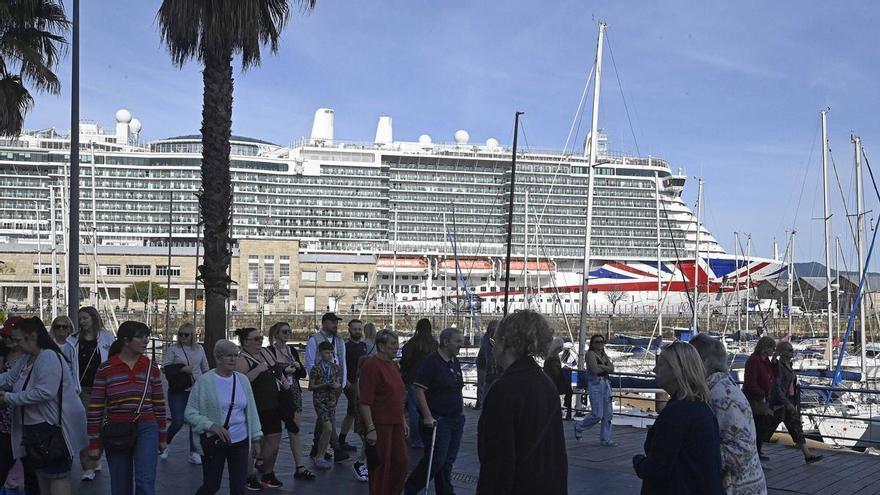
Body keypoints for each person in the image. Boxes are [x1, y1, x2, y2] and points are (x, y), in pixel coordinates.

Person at [477, 310, 567, 495]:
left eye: (494, 341)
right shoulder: (545, 382)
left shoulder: (504, 390)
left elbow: (497, 460)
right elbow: (557, 449)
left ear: (506, 343)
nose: (492, 347)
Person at [0, 317, 87, 495]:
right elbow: (9, 378)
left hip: (50, 427)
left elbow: (45, 392)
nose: (15, 344)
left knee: (57, 476)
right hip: (33, 428)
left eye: (18, 340)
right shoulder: (28, 357)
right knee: (42, 477)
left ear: (32, 336)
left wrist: (9, 397)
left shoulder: (48, 356)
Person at [632, 341, 724, 495]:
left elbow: (658, 469)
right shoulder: (702, 407)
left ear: (676, 370)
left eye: (661, 364)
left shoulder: (677, 413)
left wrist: (638, 461)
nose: (655, 369)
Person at [87, 321, 166, 495]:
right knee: (120, 483)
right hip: (117, 428)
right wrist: (94, 443)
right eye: (140, 337)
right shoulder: (106, 369)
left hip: (146, 427)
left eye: (146, 336)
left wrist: (162, 436)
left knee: (145, 481)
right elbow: (95, 408)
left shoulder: (151, 367)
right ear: (125, 340)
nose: (145, 341)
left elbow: (159, 404)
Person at [690, 334, 767, 495]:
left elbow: (740, 449)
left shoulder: (721, 394)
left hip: (737, 487)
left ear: (703, 362)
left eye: (689, 360)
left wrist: (692, 453)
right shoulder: (720, 387)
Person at [185, 339, 263, 495]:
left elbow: (251, 410)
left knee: (238, 488)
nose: (233, 359)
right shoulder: (204, 381)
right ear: (218, 357)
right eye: (229, 355)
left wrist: (256, 438)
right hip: (215, 441)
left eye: (236, 355)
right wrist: (211, 425)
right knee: (211, 486)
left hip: (240, 441)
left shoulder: (243, 380)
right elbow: (189, 413)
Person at [404, 327, 465, 495]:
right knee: (436, 459)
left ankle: (445, 491)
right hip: (439, 419)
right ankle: (411, 488)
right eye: (458, 341)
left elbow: (457, 388)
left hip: (456, 418)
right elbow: (419, 390)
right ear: (446, 342)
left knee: (447, 461)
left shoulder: (454, 360)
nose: (461, 345)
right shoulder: (432, 362)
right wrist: (427, 416)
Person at [62, 305, 115, 482]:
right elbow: (67, 365)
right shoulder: (72, 340)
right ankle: (88, 465)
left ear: (93, 318)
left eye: (85, 318)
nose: (82, 322)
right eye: (80, 319)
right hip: (83, 389)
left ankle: (96, 456)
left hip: (103, 388)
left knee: (102, 426)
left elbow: (113, 360)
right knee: (86, 427)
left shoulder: (107, 338)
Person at [263, 322, 315, 482]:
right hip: (276, 394)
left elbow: (302, 374)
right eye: (284, 332)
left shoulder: (292, 350)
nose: (288, 334)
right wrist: (284, 371)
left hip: (294, 392)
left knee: (295, 430)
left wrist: (298, 367)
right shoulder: (269, 351)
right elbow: (267, 373)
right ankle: (261, 461)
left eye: (289, 331)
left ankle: (300, 467)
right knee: (271, 433)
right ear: (276, 334)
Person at [359, 329, 408, 495]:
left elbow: (398, 395)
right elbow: (365, 401)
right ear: (381, 346)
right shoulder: (371, 366)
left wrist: (403, 420)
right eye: (393, 344)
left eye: (397, 343)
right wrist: (370, 428)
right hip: (380, 423)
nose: (397, 347)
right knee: (381, 465)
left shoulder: (394, 365)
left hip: (396, 422)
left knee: (401, 462)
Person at [233, 328, 282, 491]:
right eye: (255, 339)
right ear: (245, 342)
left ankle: (267, 472)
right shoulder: (241, 360)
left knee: (274, 441)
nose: (259, 341)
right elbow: (239, 382)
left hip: (273, 405)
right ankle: (249, 476)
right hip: (255, 408)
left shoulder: (266, 353)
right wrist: (258, 370)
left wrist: (284, 380)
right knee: (253, 444)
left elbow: (276, 370)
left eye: (260, 338)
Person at [0, 317, 38, 494]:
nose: (9, 341)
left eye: (14, 338)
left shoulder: (33, 357)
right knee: (4, 459)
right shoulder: (7, 356)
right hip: (6, 418)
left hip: (27, 418)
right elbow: (8, 379)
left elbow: (41, 392)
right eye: (6, 337)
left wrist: (9, 395)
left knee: (30, 465)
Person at [162, 323, 209, 464]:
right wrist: (182, 369)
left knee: (194, 422)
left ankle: (194, 451)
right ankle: (165, 443)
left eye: (186, 334)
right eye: (180, 334)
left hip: (195, 389)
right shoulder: (173, 349)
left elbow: (205, 368)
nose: (183, 337)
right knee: (178, 421)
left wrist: (206, 385)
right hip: (178, 389)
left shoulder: (200, 349)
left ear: (193, 336)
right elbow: (166, 368)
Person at [304, 313, 349, 463]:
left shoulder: (340, 340)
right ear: (324, 323)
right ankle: (336, 448)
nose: (335, 325)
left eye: (336, 322)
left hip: (336, 384)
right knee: (329, 418)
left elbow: (342, 361)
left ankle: (317, 447)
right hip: (322, 386)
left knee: (324, 417)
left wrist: (342, 382)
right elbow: (310, 362)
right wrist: (317, 379)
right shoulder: (314, 339)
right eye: (332, 322)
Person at [770, 342, 823, 464]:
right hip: (780, 403)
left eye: (792, 350)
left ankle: (807, 455)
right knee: (768, 429)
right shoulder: (778, 366)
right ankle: (757, 452)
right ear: (783, 352)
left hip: (789, 400)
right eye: (789, 350)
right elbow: (777, 387)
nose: (792, 352)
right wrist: (786, 402)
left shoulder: (789, 365)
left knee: (796, 427)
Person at [399, 318, 437, 449]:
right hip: (431, 381)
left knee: (413, 410)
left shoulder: (412, 343)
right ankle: (429, 436)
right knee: (428, 408)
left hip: (413, 379)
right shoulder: (434, 344)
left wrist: (405, 373)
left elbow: (405, 361)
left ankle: (416, 439)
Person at [574, 334, 616, 445]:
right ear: (592, 343)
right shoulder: (590, 354)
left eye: (602, 342)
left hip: (606, 384)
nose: (600, 344)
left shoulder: (603, 354)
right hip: (596, 384)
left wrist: (602, 367)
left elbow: (612, 369)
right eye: (597, 342)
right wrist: (606, 369)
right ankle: (579, 426)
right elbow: (594, 370)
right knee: (597, 414)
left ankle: (606, 439)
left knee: (608, 414)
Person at [308, 341, 343, 470]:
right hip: (320, 401)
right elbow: (311, 386)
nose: (329, 355)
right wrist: (325, 385)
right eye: (327, 353)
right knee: (328, 427)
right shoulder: (316, 368)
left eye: (331, 353)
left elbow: (338, 383)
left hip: (331, 400)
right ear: (321, 353)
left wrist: (336, 385)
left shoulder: (336, 368)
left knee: (327, 428)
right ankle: (320, 456)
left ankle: (320, 452)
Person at [743, 336, 776, 461]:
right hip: (755, 398)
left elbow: (774, 374)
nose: (773, 350)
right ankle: (756, 452)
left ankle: (758, 450)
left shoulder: (766, 361)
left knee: (762, 426)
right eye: (772, 348)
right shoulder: (754, 361)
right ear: (765, 348)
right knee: (757, 426)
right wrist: (762, 394)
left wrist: (774, 362)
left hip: (763, 397)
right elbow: (750, 382)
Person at [339, 319, 367, 454]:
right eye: (355, 329)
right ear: (349, 330)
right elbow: (341, 364)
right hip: (351, 383)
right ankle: (365, 440)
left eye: (359, 329)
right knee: (357, 411)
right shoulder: (346, 347)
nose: (357, 331)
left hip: (362, 383)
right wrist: (346, 381)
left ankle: (341, 439)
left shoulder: (364, 345)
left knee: (351, 412)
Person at [543, 337, 574, 421]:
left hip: (550, 381)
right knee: (569, 390)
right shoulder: (554, 358)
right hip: (554, 383)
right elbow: (556, 372)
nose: (561, 349)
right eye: (561, 347)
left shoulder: (550, 357)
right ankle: (568, 410)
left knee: (568, 389)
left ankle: (566, 408)